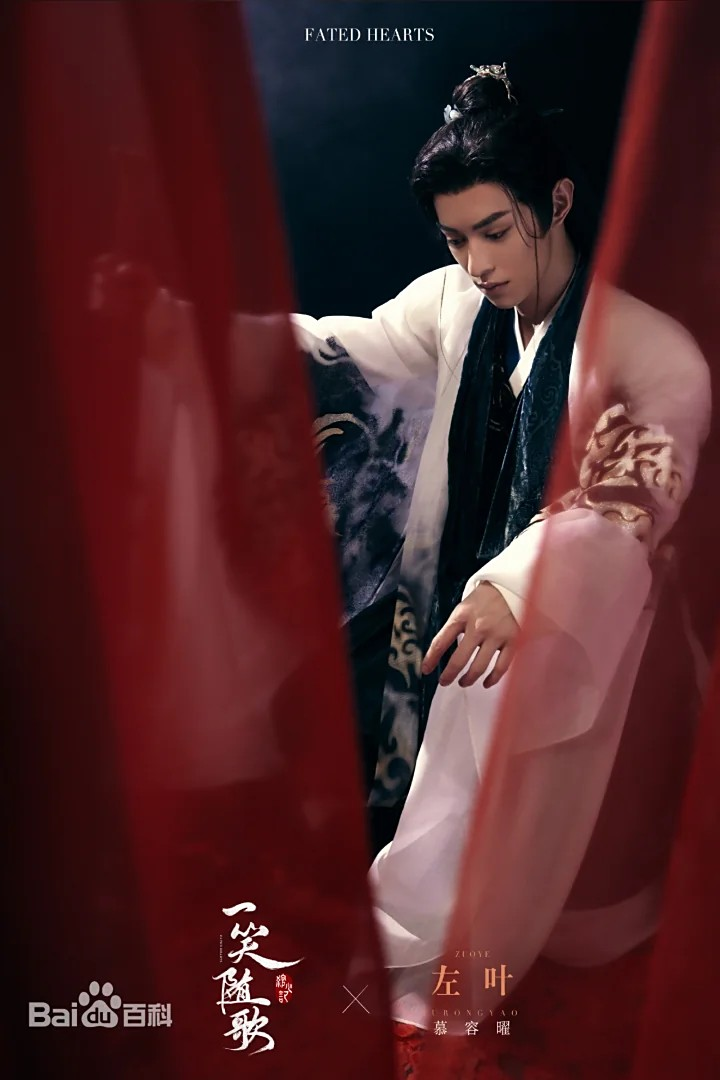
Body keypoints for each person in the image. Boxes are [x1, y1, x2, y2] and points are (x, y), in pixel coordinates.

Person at [291, 64, 711, 1028]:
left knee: (575, 897)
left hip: (589, 638)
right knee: (395, 755)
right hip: (452, 610)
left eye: (493, 231)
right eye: (455, 239)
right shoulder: (454, 306)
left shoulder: (647, 347)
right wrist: (190, 337)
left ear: (555, 202)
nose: (477, 263)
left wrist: (524, 583)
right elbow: (353, 354)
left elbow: (635, 489)